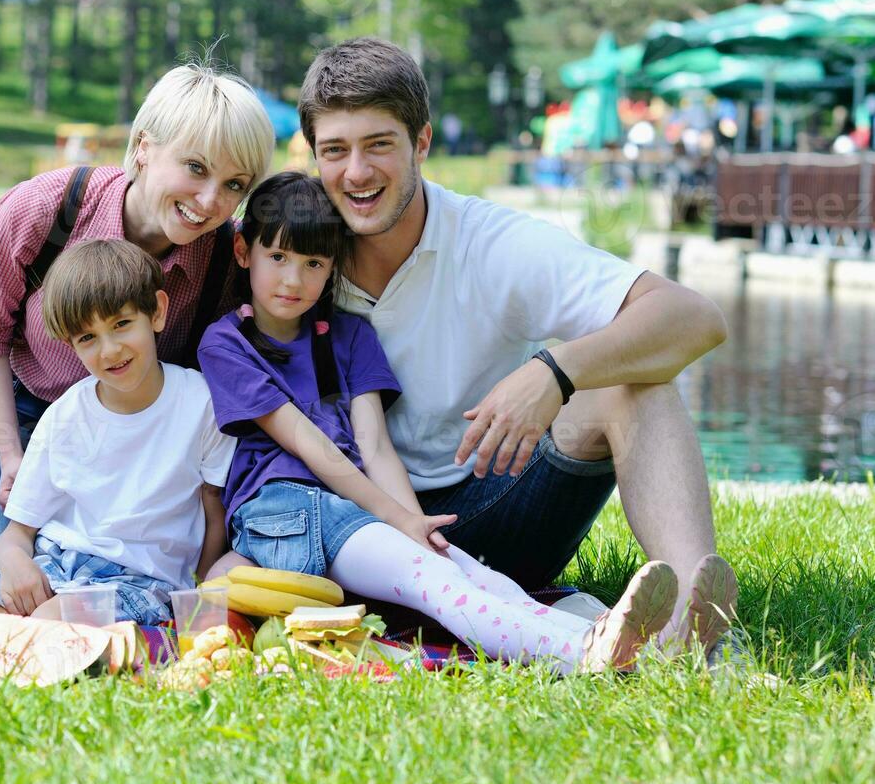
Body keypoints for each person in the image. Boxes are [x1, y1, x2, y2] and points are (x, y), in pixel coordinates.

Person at [293, 38, 737, 660]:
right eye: (335, 151)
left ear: (421, 143)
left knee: (632, 383)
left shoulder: (492, 242)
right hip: (357, 529)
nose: (357, 172)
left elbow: (695, 318)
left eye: (379, 145)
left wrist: (556, 372)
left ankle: (699, 619)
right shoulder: (292, 254)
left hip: (497, 501)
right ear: (313, 156)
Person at [198, 172, 688, 673]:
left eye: (313, 263)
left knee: (465, 572)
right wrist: (399, 521)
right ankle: (580, 656)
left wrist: (417, 526)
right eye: (276, 258)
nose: (292, 280)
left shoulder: (349, 336)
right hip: (284, 509)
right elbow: (310, 444)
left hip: (350, 509)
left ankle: (622, 643)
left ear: (333, 267)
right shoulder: (226, 343)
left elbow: (375, 445)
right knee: (436, 583)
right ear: (243, 252)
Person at [0, 63, 274, 573]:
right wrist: (12, 456)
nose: (211, 202)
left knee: (115, 575)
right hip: (21, 402)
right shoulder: (44, 209)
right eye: (196, 168)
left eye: (234, 184)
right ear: (143, 146)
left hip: (135, 426)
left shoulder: (229, 258)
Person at [0, 239, 236, 627]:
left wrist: (197, 595)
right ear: (71, 346)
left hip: (140, 581)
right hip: (56, 563)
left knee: (48, 619)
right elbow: (16, 534)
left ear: (157, 312)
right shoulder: (65, 415)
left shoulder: (201, 403)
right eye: (88, 338)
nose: (110, 349)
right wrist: (15, 563)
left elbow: (213, 511)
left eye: (121, 325)